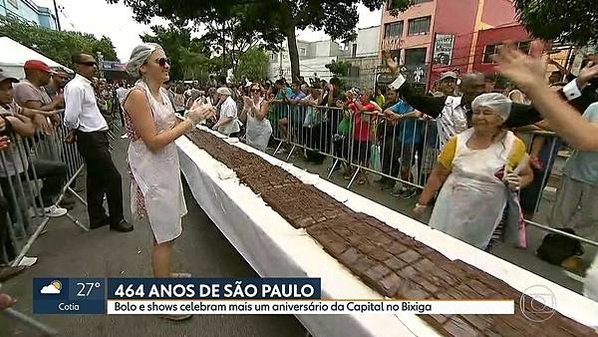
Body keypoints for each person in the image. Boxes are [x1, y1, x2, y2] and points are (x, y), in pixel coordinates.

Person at [122, 44, 213, 313]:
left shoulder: (162, 92)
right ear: (142, 67)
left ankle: (165, 278)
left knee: (168, 230)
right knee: (163, 235)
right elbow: (153, 141)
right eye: (160, 61)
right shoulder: (137, 95)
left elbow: (171, 124)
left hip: (166, 168)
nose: (166, 65)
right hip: (151, 171)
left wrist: (192, 114)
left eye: (167, 60)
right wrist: (191, 121)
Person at [413, 93, 533, 250]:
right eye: (477, 112)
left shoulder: (514, 145)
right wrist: (422, 203)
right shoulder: (457, 142)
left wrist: (519, 182)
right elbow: (438, 174)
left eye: (487, 112)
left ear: (501, 117)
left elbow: (527, 174)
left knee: (473, 257)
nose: (480, 117)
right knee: (438, 249)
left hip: (488, 214)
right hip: (450, 207)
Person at [385, 54, 542, 149]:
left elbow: (533, 114)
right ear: (462, 89)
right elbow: (414, 99)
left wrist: (535, 83)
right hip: (450, 173)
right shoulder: (445, 105)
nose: (478, 91)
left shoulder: (498, 107)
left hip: (486, 179)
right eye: (473, 87)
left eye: (481, 86)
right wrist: (397, 73)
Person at [64, 52, 132, 232]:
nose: (93, 67)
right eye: (88, 64)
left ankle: (97, 217)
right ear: (77, 66)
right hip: (90, 137)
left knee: (95, 180)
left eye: (94, 63)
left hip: (94, 135)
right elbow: (70, 116)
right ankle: (117, 220)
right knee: (113, 178)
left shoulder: (86, 86)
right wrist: (76, 129)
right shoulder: (76, 87)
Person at [0, 69, 69, 218]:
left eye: (9, 87)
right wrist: (16, 120)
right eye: (2, 89)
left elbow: (27, 111)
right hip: (8, 171)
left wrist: (41, 114)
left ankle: (43, 203)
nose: (8, 93)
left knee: (59, 169)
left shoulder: (10, 105)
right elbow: (29, 129)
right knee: (15, 214)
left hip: (22, 163)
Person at [383, 94, 424, 199]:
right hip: (402, 138)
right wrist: (393, 115)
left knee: (406, 166)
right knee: (402, 164)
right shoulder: (401, 104)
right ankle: (406, 186)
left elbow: (417, 114)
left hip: (413, 140)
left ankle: (410, 187)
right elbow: (386, 110)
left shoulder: (416, 104)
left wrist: (400, 116)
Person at [12, 60, 63, 134]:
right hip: (33, 135)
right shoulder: (24, 87)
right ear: (38, 73)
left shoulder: (40, 88)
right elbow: (37, 110)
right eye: (48, 73)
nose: (50, 76)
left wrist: (53, 114)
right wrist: (55, 102)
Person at [347, 89, 382, 185]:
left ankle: (363, 175)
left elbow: (362, 109)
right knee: (354, 155)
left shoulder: (370, 105)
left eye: (362, 95)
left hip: (366, 137)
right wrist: (348, 101)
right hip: (356, 135)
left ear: (367, 97)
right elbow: (348, 106)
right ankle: (354, 172)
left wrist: (354, 100)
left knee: (364, 157)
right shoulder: (357, 104)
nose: (360, 96)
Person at [240, 83, 272, 152]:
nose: (255, 92)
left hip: (262, 132)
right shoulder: (248, 101)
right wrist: (245, 108)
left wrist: (253, 106)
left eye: (257, 90)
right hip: (251, 132)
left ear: (260, 91)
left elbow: (260, 117)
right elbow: (242, 119)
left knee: (259, 153)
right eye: (253, 90)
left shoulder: (264, 103)